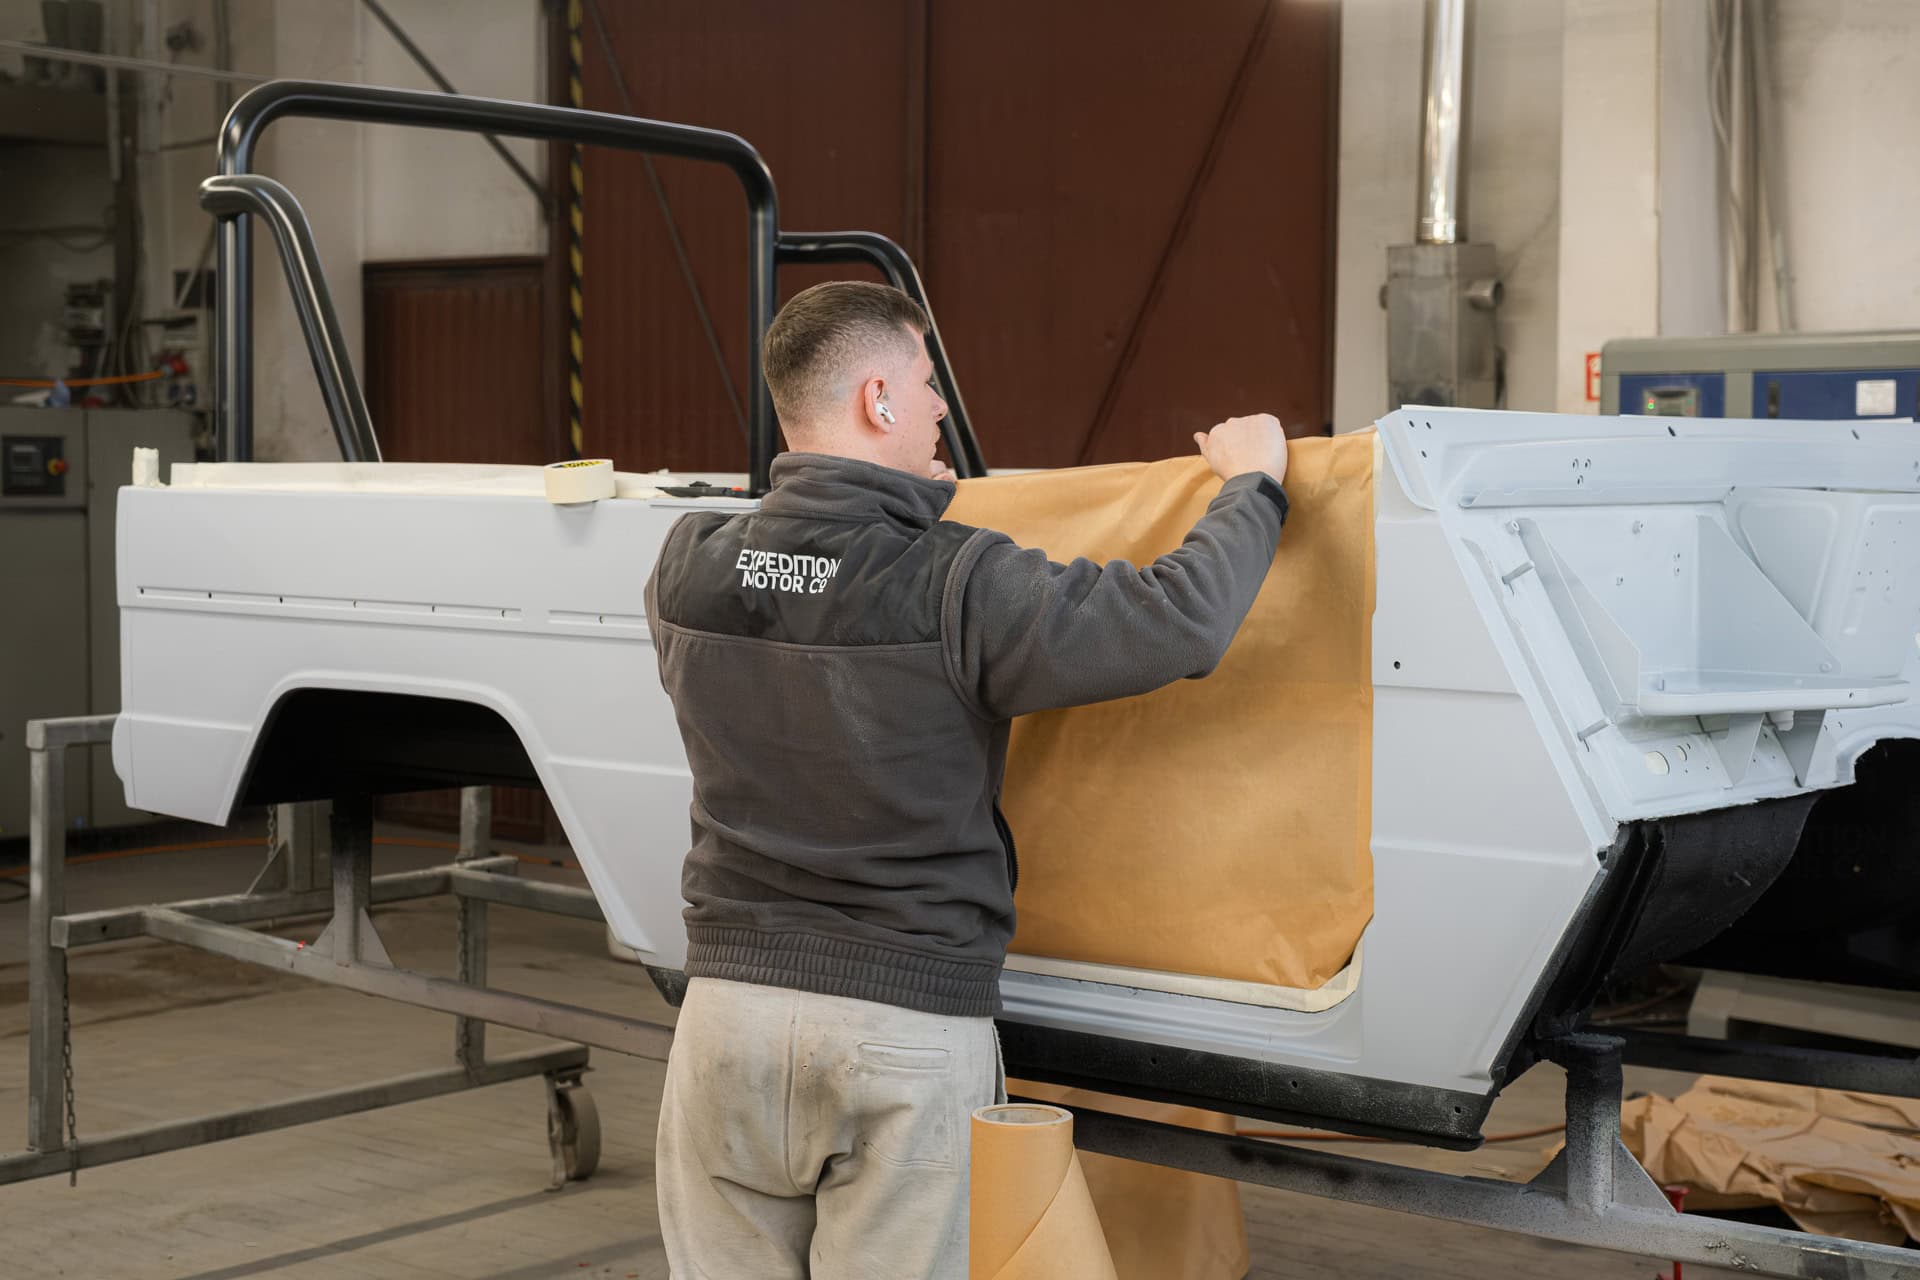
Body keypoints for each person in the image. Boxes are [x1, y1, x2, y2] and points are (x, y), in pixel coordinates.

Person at [645, 280, 1289, 1279]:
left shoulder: (686, 566)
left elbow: (797, 603)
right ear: (877, 400)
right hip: (901, 1031)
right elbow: (1180, 621)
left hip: (723, 1024)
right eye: (925, 381)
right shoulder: (959, 583)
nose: (941, 405)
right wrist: (1254, 485)